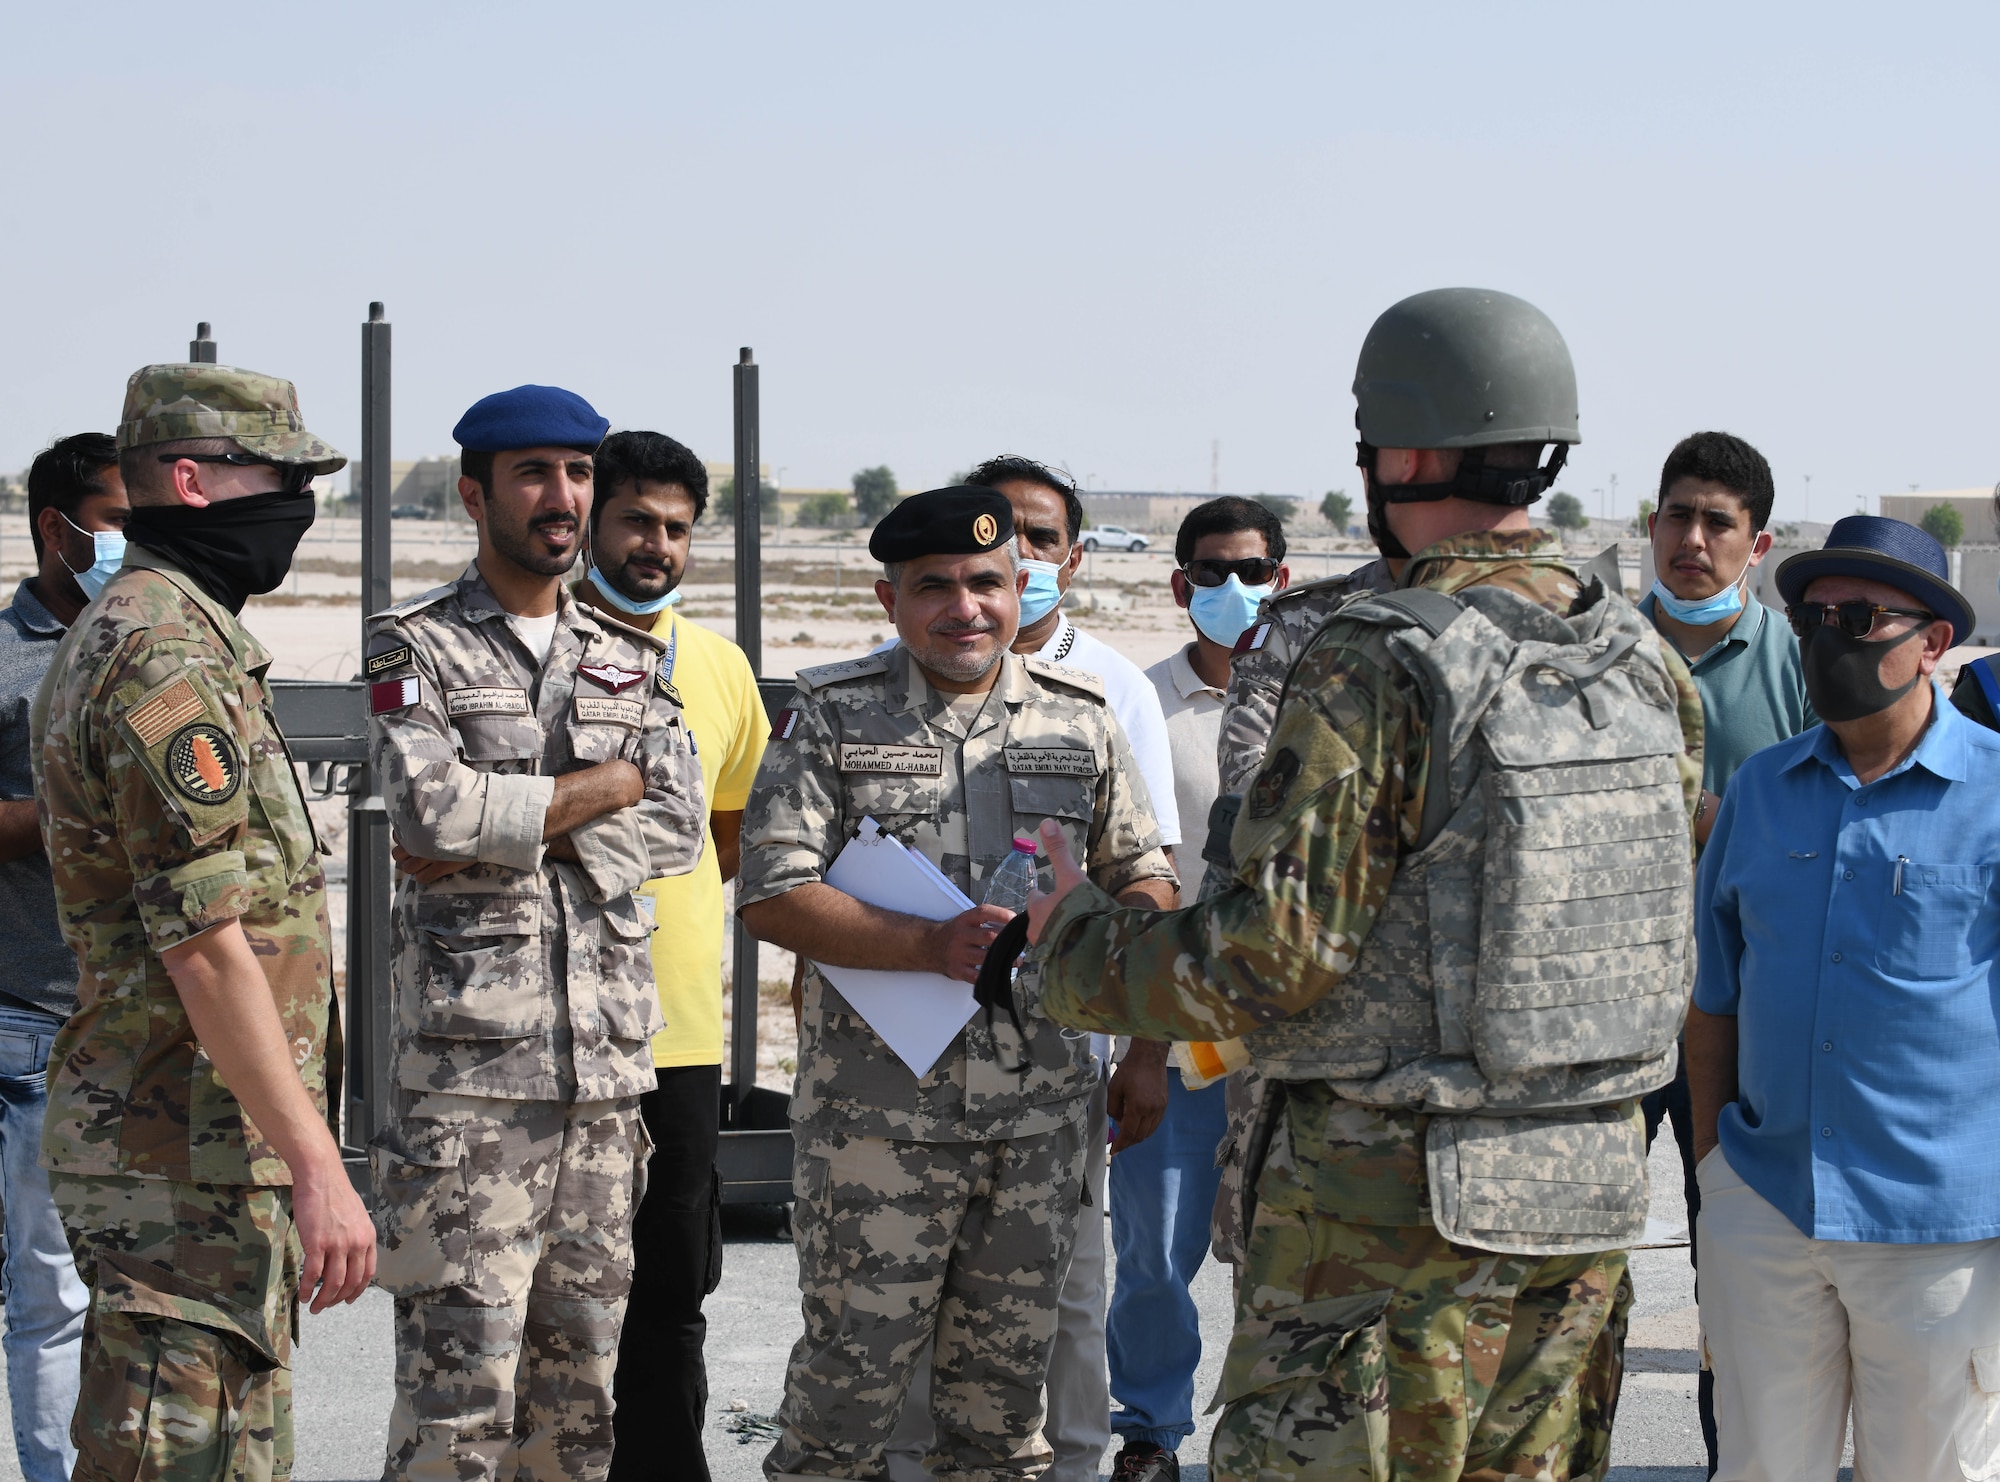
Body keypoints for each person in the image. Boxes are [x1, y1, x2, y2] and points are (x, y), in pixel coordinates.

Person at [1023, 287, 1707, 1481]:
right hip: (1583, 1211)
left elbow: (1265, 956)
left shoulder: (1382, 655)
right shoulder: (1638, 656)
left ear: (1400, 451)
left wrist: (1065, 943)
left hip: (1388, 1236)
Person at [739, 487, 1179, 1481]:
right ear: (889, 597)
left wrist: (1132, 991)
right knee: (841, 1411)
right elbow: (770, 894)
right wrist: (925, 944)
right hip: (876, 1135)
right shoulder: (831, 716)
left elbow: (1144, 876)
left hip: (1035, 1131)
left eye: (988, 582)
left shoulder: (1080, 721)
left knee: (1000, 1420)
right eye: (933, 586)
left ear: (1021, 583)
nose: (965, 607)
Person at [32, 363, 376, 1482]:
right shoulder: (161, 655)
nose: (295, 502)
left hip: (204, 1154)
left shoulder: (182, 633)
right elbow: (203, 942)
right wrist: (318, 1164)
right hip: (178, 1153)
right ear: (191, 479)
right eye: (276, 475)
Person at [365, 386, 706, 1482]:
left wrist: (512, 821)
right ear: (475, 493)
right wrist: (601, 783)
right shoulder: (410, 644)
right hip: (471, 1090)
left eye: (575, 474)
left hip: (604, 1087)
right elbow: (427, 813)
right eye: (532, 474)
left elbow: (677, 826)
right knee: (457, 1400)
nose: (561, 498)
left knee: (579, 1403)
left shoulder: (628, 654)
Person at [882, 454, 1180, 1482]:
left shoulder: (1108, 693)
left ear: (1054, 560)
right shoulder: (873, 688)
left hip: (1057, 1075)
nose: (1002, 573)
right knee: (912, 1321)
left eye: (1034, 543)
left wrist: (1144, 1054)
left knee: (1065, 1309)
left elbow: (1149, 880)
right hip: (906, 1075)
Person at [1688, 516, 2000, 1482]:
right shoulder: (1761, 790)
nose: (1828, 639)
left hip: (1939, 1230)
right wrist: (1714, 1181)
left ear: (1934, 644)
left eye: (1858, 618)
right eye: (1811, 617)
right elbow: (1715, 1001)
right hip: (1767, 1205)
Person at [574, 430, 769, 1482]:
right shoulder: (532, 648)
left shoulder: (719, 666)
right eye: (636, 521)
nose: (656, 545)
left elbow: (728, 835)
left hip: (677, 1033)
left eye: (676, 528)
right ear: (590, 523)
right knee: (542, 1292)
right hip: (549, 1033)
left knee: (667, 1292)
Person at [1636, 428, 1814, 1475]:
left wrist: (1720, 822)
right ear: (1649, 525)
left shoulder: (1799, 664)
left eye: (1717, 523)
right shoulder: (1592, 657)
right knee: (1568, 1270)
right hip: (1604, 1016)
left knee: (1735, 1270)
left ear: (1756, 544)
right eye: (1676, 516)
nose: (1691, 540)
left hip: (1738, 1024)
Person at [1107, 497, 1289, 1482]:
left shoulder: (1326, 704)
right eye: (1212, 572)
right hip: (1174, 1046)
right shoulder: (1141, 706)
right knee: (1154, 1260)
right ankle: (1149, 1432)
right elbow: (1130, 883)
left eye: (1252, 571)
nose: (1234, 590)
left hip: (1292, 1049)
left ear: (1282, 581)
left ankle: (1274, 1439)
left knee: (1290, 1261)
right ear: (1179, 587)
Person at [1204, 516, 1400, 1277]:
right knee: (1283, 1253)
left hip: (1455, 1014)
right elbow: (1255, 789)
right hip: (1299, 987)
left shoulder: (1527, 622)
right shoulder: (1304, 625)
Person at [0, 433, 128, 1482]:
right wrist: (83, 814)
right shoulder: (9, 661)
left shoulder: (153, 646)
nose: (132, 546)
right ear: (60, 526)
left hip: (153, 1017)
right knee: (50, 1291)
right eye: (118, 521)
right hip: (38, 1015)